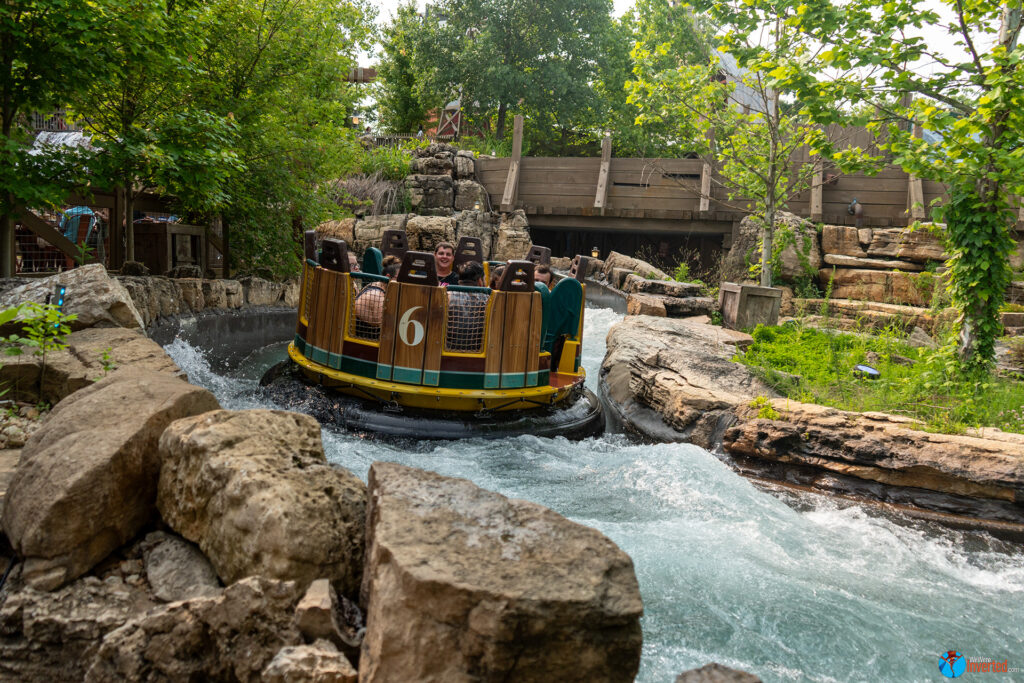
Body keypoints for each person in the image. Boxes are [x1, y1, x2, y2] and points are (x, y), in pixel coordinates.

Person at [446, 261, 489, 352]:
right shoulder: (488, 300)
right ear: (480, 281)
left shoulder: (446, 296)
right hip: (478, 353)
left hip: (448, 351)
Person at [353, 261, 400, 338]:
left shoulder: (375, 284)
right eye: (399, 278)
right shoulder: (377, 296)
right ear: (388, 277)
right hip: (365, 338)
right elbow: (385, 328)